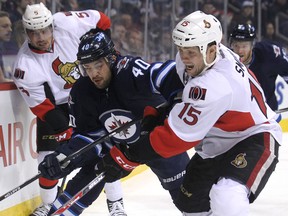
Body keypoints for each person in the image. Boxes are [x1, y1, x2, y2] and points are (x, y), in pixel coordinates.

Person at [96, 11, 282, 215]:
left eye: (191, 52)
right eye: (181, 49)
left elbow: (173, 139)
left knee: (227, 196)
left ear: (211, 50)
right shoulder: (207, 57)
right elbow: (179, 87)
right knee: (190, 203)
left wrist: (127, 156)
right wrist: (163, 110)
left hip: (253, 137)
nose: (184, 57)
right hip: (215, 143)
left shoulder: (215, 85)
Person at [38, 31, 190, 215]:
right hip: (119, 149)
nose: (94, 73)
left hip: (156, 141)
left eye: (98, 65)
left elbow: (166, 73)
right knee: (91, 172)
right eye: (87, 67)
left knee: (189, 198)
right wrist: (67, 157)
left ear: (111, 59)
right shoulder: (82, 92)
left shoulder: (129, 71)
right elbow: (89, 137)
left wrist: (178, 97)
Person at [12, 3, 126, 216]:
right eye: (34, 33)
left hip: (94, 92)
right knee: (49, 157)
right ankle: (49, 203)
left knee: (107, 150)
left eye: (44, 30)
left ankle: (115, 201)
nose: (40, 37)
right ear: (26, 32)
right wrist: (66, 131)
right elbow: (41, 106)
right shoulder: (24, 64)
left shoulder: (67, 22)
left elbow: (102, 20)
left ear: (51, 25)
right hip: (60, 106)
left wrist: (105, 51)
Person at [229, 23, 288, 120]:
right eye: (236, 45)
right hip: (239, 119)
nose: (239, 51)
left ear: (252, 45)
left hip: (267, 117)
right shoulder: (225, 61)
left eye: (244, 46)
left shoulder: (269, 53)